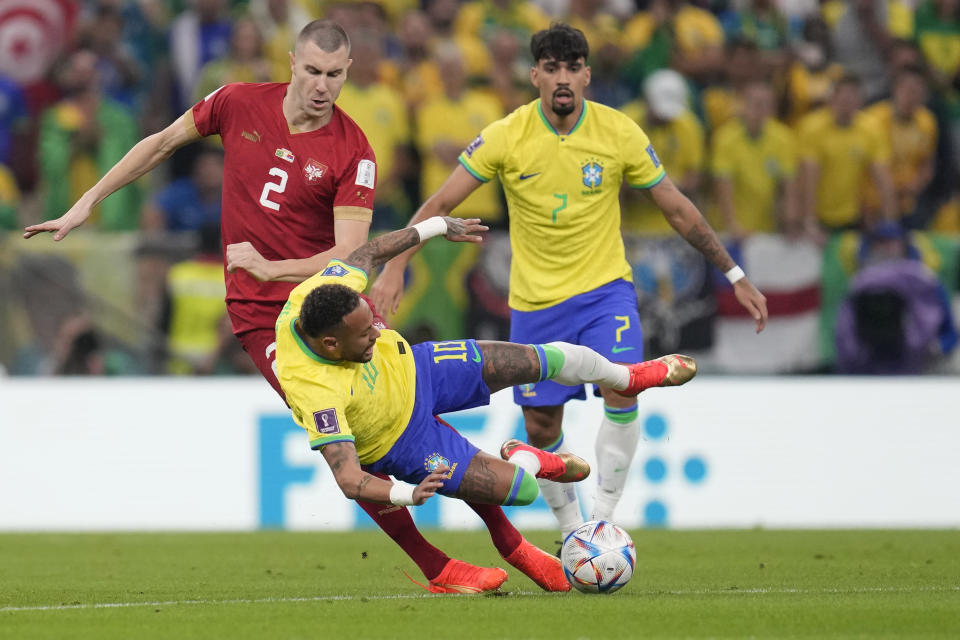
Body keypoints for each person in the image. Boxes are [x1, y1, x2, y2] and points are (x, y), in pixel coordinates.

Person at [23, 19, 529, 596]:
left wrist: (271, 266)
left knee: (407, 412)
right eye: (312, 71)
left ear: (348, 74)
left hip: (334, 304)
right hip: (264, 320)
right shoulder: (237, 103)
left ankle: (507, 539)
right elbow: (161, 143)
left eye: (334, 75)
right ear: (291, 62)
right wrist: (86, 203)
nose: (321, 86)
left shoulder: (354, 149)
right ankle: (439, 567)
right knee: (359, 440)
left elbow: (347, 253)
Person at [369, 24, 768, 540]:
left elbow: (676, 208)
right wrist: (397, 264)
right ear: (535, 75)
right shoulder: (507, 135)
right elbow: (439, 205)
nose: (563, 77)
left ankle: (603, 517)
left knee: (623, 384)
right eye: (552, 67)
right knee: (541, 428)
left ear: (587, 76)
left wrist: (733, 273)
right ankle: (573, 530)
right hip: (537, 306)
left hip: (606, 293)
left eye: (573, 67)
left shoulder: (619, 132)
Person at [277, 214, 696, 589]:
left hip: (421, 368)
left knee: (537, 359)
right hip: (404, 441)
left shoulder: (322, 295)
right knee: (524, 487)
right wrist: (408, 496)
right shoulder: (314, 390)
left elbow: (367, 252)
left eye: (373, 323)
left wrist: (438, 226)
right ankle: (528, 459)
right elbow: (350, 479)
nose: (375, 333)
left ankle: (630, 376)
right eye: (364, 334)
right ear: (330, 344)